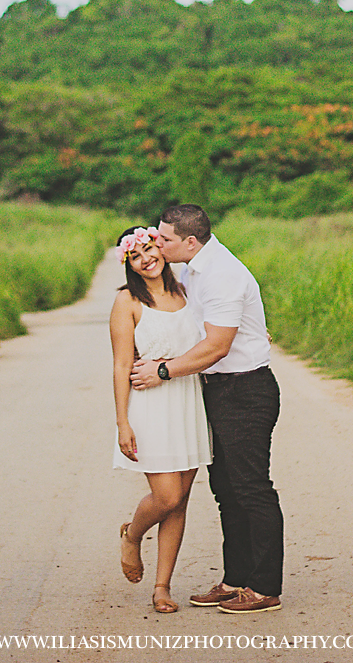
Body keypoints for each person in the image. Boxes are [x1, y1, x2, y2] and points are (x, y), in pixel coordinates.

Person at [130, 205, 284, 614]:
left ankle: (265, 587)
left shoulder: (221, 274)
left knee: (252, 489)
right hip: (216, 390)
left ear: (190, 242)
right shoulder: (192, 271)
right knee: (227, 492)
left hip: (245, 390)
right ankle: (236, 580)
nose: (157, 245)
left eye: (164, 240)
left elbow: (217, 346)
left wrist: (162, 371)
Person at [110, 225, 212, 614]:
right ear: (129, 264)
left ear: (163, 250)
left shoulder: (187, 292)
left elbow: (212, 338)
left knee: (180, 501)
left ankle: (162, 587)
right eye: (136, 256)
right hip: (150, 404)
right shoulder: (127, 302)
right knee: (166, 496)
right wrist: (122, 422)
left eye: (151, 249)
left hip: (189, 401)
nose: (146, 258)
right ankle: (133, 535)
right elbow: (121, 365)